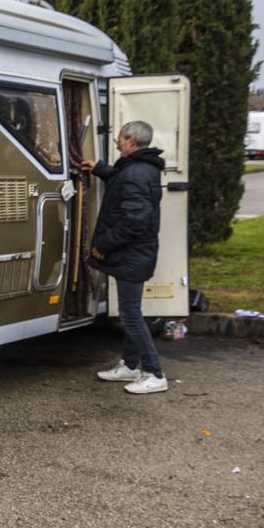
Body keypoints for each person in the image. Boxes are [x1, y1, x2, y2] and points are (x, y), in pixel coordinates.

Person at [81, 120, 168, 394]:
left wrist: (103, 245)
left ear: (130, 140)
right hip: (137, 253)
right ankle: (131, 366)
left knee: (130, 315)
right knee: (132, 312)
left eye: (120, 138)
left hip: (132, 254)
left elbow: (134, 220)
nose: (117, 142)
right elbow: (122, 184)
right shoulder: (139, 168)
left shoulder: (136, 173)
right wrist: (101, 169)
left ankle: (154, 373)